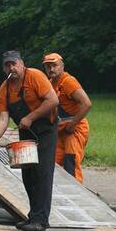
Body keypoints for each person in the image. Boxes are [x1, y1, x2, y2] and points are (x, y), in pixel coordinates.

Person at [0, 50, 59, 231]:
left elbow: (53, 100)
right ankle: (33, 216)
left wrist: (31, 117)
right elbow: (3, 118)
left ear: (22, 64)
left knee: (42, 174)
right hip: (26, 132)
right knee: (28, 175)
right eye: (7, 65)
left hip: (46, 130)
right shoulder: (5, 89)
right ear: (4, 68)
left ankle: (41, 220)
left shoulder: (35, 76)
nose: (11, 68)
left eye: (14, 64)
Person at [42, 52, 92, 183]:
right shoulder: (49, 83)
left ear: (62, 66)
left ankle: (77, 196)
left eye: (54, 65)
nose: (51, 69)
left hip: (75, 129)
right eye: (48, 66)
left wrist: (72, 126)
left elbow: (86, 104)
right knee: (53, 164)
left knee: (71, 162)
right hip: (59, 130)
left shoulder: (68, 81)